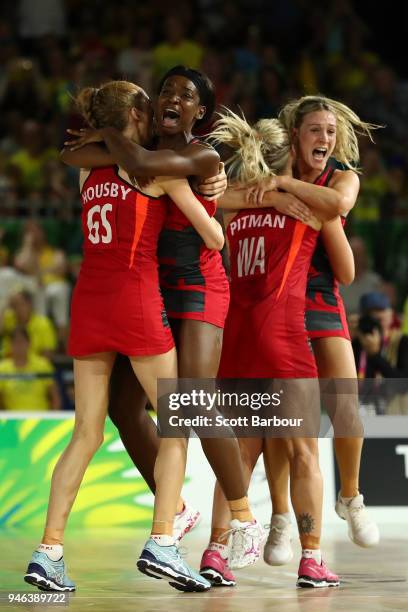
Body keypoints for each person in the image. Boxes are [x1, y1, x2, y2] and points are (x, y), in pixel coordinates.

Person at [24, 79, 226, 594]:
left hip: (88, 302)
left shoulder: (87, 172)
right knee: (176, 421)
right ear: (139, 115)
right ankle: (162, 540)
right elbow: (214, 236)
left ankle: (48, 552)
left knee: (86, 433)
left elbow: (88, 154)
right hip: (136, 300)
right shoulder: (152, 173)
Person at [198, 107, 340, 589]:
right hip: (283, 342)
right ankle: (313, 558)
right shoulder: (306, 207)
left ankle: (215, 553)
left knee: (239, 455)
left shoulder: (235, 209)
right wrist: (288, 188)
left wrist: (268, 189)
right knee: (304, 455)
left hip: (235, 342)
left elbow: (213, 201)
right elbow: (338, 210)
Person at [239, 95, 380, 560]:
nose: (325, 138)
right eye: (315, 130)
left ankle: (351, 497)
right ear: (295, 136)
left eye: (330, 131)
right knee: (284, 423)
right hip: (274, 303)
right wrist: (279, 187)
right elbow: (221, 195)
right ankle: (281, 517)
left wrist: (283, 186)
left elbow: (338, 207)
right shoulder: (272, 174)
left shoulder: (342, 175)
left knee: (346, 407)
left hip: (319, 297)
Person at [0, 326, 60, 411]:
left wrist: (52, 421)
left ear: (29, 343)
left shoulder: (42, 365)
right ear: (10, 345)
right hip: (12, 421)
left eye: (22, 342)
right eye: (15, 342)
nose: (19, 346)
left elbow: (55, 398)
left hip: (41, 419)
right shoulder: (2, 368)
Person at [1, 289, 57, 358]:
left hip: (34, 366)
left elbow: (48, 352)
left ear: (29, 303)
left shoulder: (43, 323)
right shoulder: (7, 319)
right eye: (14, 305)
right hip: (7, 365)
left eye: (21, 304)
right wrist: (5, 306)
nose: (18, 308)